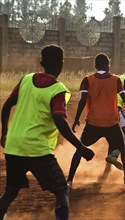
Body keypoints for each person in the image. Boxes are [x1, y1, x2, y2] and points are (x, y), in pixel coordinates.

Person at [0, 44, 94, 220]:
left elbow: (6, 106)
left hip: (13, 146)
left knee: (10, 193)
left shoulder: (26, 80)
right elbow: (60, 121)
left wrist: (4, 133)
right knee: (61, 190)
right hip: (37, 150)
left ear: (41, 62)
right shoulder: (58, 89)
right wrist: (80, 147)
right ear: (62, 64)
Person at [67, 53, 125, 187]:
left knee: (79, 149)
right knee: (124, 147)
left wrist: (76, 119)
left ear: (95, 66)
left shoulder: (87, 79)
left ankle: (69, 181)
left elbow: (82, 101)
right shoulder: (115, 80)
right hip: (111, 123)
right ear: (108, 66)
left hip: (93, 123)